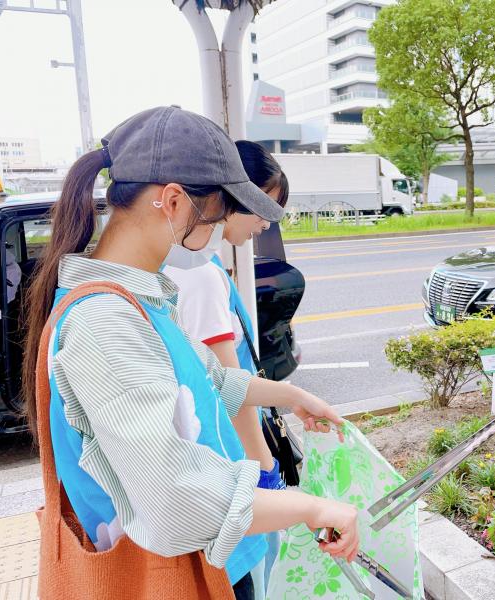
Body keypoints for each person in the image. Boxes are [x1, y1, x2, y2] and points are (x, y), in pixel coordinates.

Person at [22, 106, 359, 599]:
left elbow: (209, 383)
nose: (223, 231)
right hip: (176, 571)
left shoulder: (142, 300)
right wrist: (310, 508)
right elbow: (174, 496)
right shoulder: (106, 322)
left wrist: (290, 394)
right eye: (220, 215)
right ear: (174, 201)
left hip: (215, 562)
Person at [163, 140, 289, 598]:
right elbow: (229, 387)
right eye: (261, 207)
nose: (264, 223)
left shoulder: (187, 265)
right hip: (227, 473)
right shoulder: (199, 275)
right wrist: (264, 467)